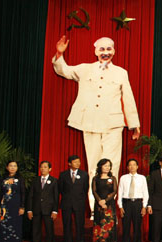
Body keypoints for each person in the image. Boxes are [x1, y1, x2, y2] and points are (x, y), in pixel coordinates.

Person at [52, 35, 141, 211]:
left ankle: (109, 208)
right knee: (94, 166)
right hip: (90, 122)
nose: (105, 52)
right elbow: (64, 70)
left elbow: (128, 98)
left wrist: (134, 124)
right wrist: (59, 54)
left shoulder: (121, 72)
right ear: (95, 52)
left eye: (108, 49)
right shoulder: (85, 69)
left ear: (114, 51)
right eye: (102, 49)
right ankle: (95, 209)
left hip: (113, 124)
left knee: (112, 165)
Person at [58, 155, 89, 242]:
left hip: (79, 204)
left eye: (79, 162)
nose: (78, 164)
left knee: (80, 227)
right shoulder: (63, 175)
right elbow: (61, 189)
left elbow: (85, 189)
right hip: (66, 203)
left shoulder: (84, 174)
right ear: (69, 163)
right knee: (67, 226)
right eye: (75, 162)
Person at [27, 161, 58, 242]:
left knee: (49, 230)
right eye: (41, 167)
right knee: (36, 230)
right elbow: (31, 196)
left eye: (45, 167)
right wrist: (29, 210)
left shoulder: (54, 181)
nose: (43, 169)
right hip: (36, 209)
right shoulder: (35, 180)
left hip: (48, 209)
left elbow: (56, 197)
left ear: (50, 169)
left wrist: (55, 210)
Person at [117, 159, 148, 242]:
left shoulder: (142, 178)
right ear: (127, 167)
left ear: (137, 166)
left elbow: (145, 193)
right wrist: (120, 206)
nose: (132, 167)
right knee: (126, 227)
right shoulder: (123, 178)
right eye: (130, 165)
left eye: (134, 165)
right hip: (126, 203)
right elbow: (120, 192)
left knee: (137, 228)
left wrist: (144, 206)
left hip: (138, 203)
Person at [0, 161, 26, 242]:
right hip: (5, 206)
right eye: (11, 166)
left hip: (16, 206)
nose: (12, 168)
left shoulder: (20, 179)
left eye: (15, 166)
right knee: (4, 227)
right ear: (7, 167)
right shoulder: (3, 178)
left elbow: (23, 193)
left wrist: (22, 206)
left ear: (17, 168)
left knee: (16, 227)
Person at [91, 158, 118, 242]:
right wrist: (100, 201)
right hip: (98, 205)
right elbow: (94, 191)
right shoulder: (95, 178)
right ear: (100, 166)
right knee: (99, 226)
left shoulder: (112, 178)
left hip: (109, 205)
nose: (107, 167)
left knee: (109, 227)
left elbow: (114, 191)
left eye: (109, 166)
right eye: (105, 165)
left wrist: (105, 201)